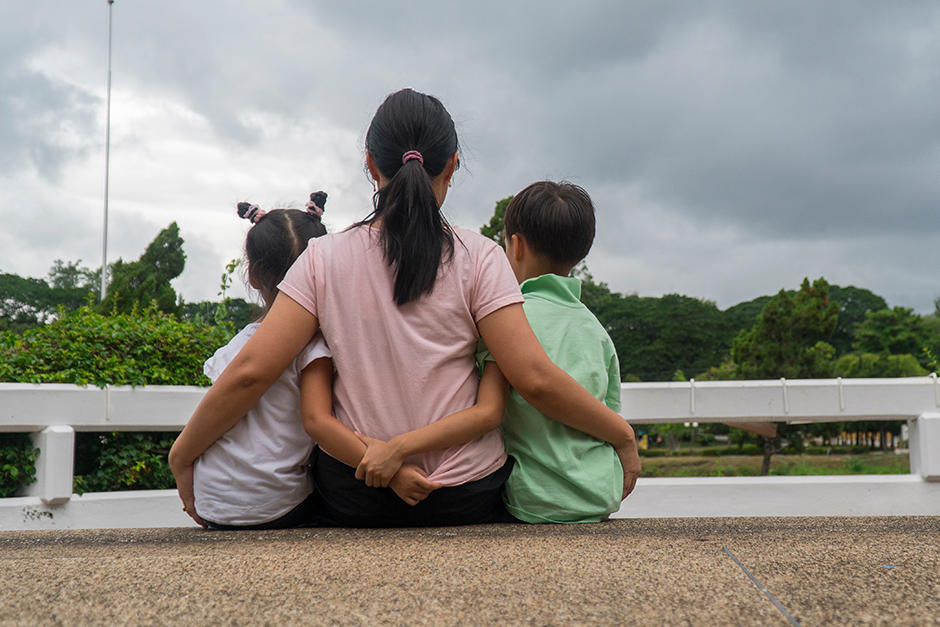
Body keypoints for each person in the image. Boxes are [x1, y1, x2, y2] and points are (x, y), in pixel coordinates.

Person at [169, 88, 641, 528]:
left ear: (371, 164)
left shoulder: (323, 258)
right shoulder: (482, 257)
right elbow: (535, 378)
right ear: (452, 166)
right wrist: (621, 434)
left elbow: (252, 371)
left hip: (358, 493)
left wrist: (183, 454)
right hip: (464, 493)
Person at [487, 180, 631, 523]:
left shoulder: (506, 323)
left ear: (516, 246)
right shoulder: (597, 332)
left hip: (529, 499)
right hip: (598, 495)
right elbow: (608, 413)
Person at [181, 201, 328, 529]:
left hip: (212, 503)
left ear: (253, 276)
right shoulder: (315, 347)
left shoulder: (236, 348)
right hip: (279, 505)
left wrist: (181, 458)